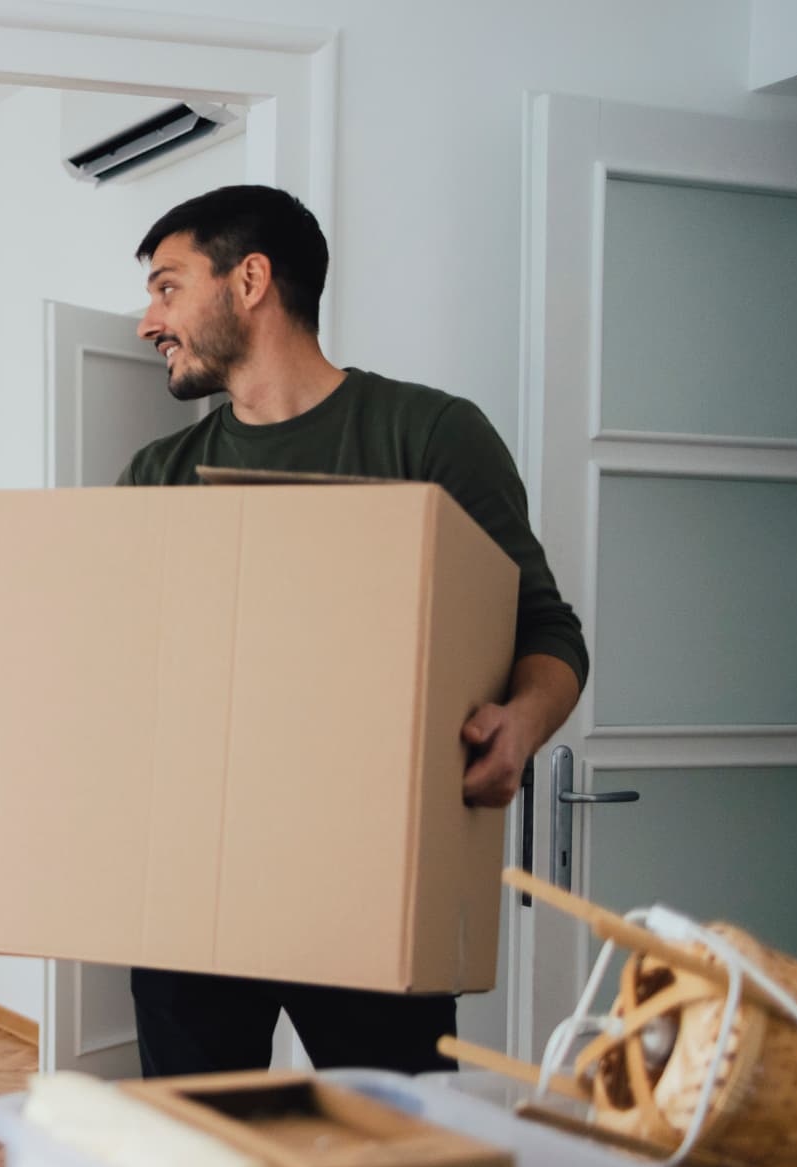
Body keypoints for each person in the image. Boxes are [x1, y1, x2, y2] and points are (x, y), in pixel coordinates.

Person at [118, 185, 589, 1079]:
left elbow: (547, 628)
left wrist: (522, 726)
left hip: (374, 880)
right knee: (206, 1166)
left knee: (397, 1159)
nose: (150, 320)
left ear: (249, 280)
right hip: (195, 889)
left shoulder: (426, 435)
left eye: (168, 287)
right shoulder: (158, 474)